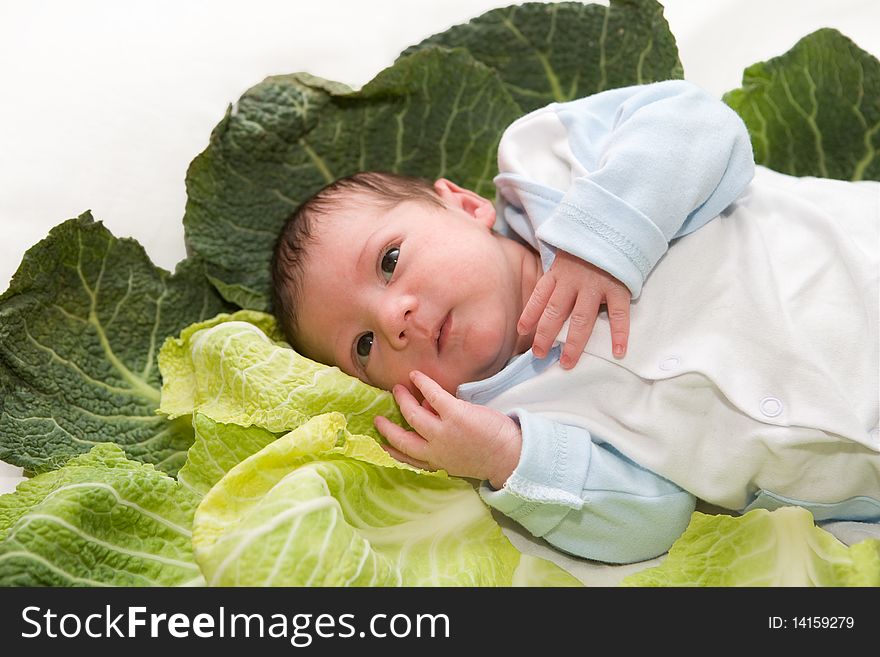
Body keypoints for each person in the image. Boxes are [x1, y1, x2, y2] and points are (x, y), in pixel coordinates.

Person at [270, 79, 880, 564]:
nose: (394, 317)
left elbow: (701, 125)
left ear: (465, 204)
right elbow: (650, 519)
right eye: (365, 345)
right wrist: (507, 458)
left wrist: (604, 238)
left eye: (390, 260)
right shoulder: (524, 421)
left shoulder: (552, 167)